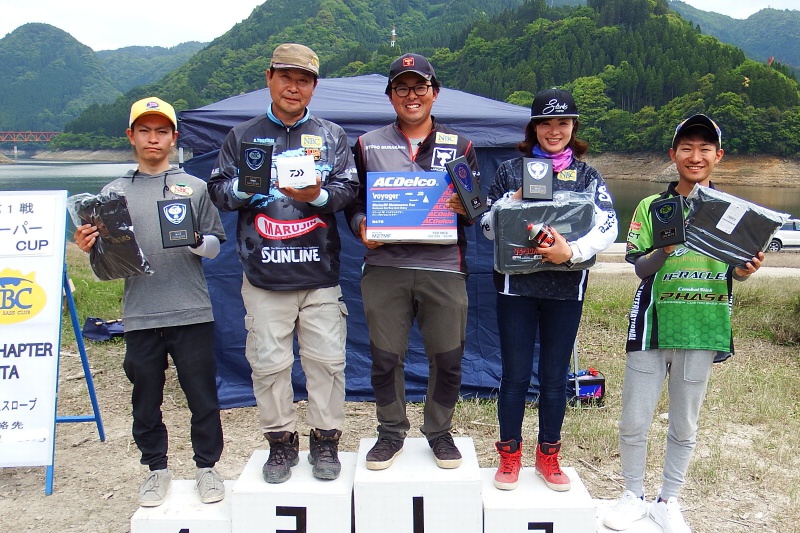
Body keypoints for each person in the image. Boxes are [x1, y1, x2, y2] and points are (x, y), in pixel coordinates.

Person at [602, 115, 764, 533]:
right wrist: (664, 248)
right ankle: (631, 494)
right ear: (673, 154)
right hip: (652, 325)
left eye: (705, 148)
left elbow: (739, 271)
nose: (696, 156)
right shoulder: (651, 206)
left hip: (703, 326)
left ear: (718, 156)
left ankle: (668, 500)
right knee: (634, 419)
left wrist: (747, 271)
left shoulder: (737, 212)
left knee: (684, 423)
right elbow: (640, 267)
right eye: (686, 148)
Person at [207, 44, 358, 484]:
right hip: (263, 273)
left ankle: (326, 442)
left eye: (305, 79)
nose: (294, 87)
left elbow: (349, 190)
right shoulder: (242, 135)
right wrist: (248, 188)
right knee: (269, 364)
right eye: (286, 77)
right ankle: (280, 443)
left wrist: (319, 196)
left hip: (320, 274)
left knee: (327, 363)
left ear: (314, 86)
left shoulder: (331, 135)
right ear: (269, 77)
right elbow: (218, 192)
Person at [74, 97, 226, 507]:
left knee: (202, 396)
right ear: (131, 136)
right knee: (145, 396)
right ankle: (156, 469)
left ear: (174, 137)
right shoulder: (112, 194)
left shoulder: (194, 187)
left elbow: (215, 245)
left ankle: (207, 469)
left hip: (191, 309)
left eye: (162, 131)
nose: (153, 138)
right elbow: (105, 265)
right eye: (145, 130)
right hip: (140, 313)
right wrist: (90, 247)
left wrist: (195, 241)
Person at [344, 53, 480, 470]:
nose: (411, 95)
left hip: (444, 266)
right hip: (386, 268)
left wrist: (465, 206)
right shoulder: (367, 144)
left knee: (449, 358)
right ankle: (390, 432)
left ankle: (439, 432)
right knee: (385, 357)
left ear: (435, 93)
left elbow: (477, 207)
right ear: (390, 96)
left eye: (420, 86)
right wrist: (362, 224)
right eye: (401, 87)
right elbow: (352, 204)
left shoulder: (461, 146)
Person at [480, 87, 618, 491]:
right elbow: (487, 228)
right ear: (534, 126)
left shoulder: (589, 176)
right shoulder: (509, 171)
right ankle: (509, 457)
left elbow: (607, 226)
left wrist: (570, 252)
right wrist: (514, 198)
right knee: (516, 376)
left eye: (562, 122)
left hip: (566, 288)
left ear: (573, 127)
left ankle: (549, 457)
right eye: (546, 122)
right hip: (515, 287)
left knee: (555, 377)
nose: (554, 130)